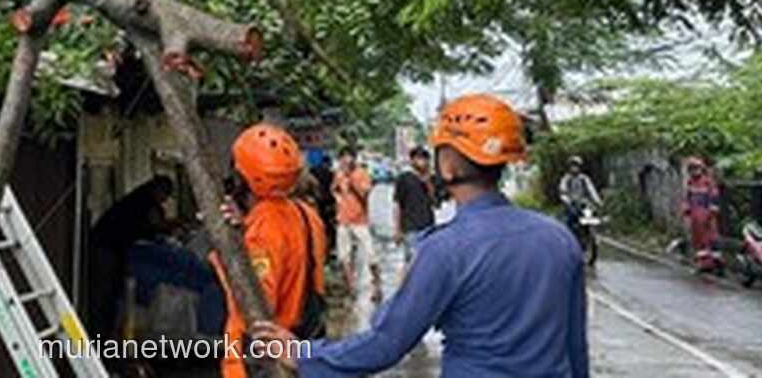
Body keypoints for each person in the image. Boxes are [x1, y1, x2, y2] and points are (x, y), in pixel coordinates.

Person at [252, 93, 588, 378]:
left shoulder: (447, 250)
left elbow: (386, 343)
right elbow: (575, 346)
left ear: (448, 165)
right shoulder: (559, 239)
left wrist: (301, 353)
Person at [211, 124, 326, 378]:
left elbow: (256, 300)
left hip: (261, 358)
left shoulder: (264, 225)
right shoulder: (306, 214)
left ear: (242, 179)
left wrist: (227, 253)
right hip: (300, 344)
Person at [87, 175, 177, 338]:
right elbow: (154, 225)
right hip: (107, 246)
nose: (165, 200)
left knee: (107, 294)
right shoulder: (144, 201)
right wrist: (170, 227)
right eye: (165, 195)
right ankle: (99, 336)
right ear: (158, 189)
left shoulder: (137, 198)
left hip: (109, 245)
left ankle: (102, 334)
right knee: (104, 295)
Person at [332, 147, 373, 293]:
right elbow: (334, 189)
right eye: (343, 157)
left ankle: (377, 285)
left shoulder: (361, 174)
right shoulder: (338, 175)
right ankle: (350, 286)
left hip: (360, 221)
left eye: (349, 157)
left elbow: (365, 194)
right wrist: (338, 199)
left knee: (371, 255)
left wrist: (352, 181)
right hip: (343, 220)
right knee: (344, 256)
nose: (345, 160)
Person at [392, 146, 436, 272]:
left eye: (424, 158)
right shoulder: (404, 178)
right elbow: (397, 204)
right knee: (412, 262)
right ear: (412, 160)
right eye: (418, 158)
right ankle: (407, 288)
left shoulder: (431, 179)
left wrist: (427, 182)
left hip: (429, 226)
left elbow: (435, 203)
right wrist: (397, 229)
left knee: (427, 262)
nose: (422, 161)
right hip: (410, 227)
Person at [682, 157, 722, 272]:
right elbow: (687, 197)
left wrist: (713, 209)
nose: (695, 171)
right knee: (698, 238)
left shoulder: (708, 182)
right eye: (692, 169)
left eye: (697, 168)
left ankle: (717, 262)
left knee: (712, 237)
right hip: (695, 213)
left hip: (707, 213)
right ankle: (704, 263)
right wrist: (686, 207)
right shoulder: (690, 182)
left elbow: (714, 196)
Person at [558, 156, 602, 236]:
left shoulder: (584, 178)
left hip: (584, 203)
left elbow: (591, 190)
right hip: (572, 204)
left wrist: (597, 201)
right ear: (569, 167)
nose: (575, 168)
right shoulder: (566, 179)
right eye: (573, 166)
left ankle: (593, 233)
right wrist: (566, 200)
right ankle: (568, 237)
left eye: (576, 166)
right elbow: (563, 192)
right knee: (569, 220)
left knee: (592, 215)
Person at [310, 154, 337, 257]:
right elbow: (333, 189)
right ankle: (330, 248)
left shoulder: (313, 171)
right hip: (328, 202)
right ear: (328, 163)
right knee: (330, 226)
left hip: (318, 202)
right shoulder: (331, 174)